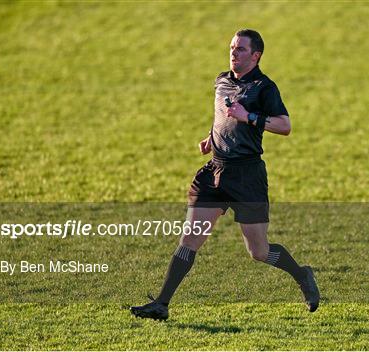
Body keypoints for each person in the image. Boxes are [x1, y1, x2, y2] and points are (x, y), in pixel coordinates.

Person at [130, 29, 320, 321]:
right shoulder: (221, 80)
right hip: (215, 171)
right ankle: (162, 303)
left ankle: (301, 274)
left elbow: (285, 125)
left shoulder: (264, 87)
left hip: (247, 176)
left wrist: (250, 117)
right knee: (191, 238)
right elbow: (222, 115)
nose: (234, 52)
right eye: (232, 47)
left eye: (241, 49)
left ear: (256, 56)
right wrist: (211, 137)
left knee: (258, 251)